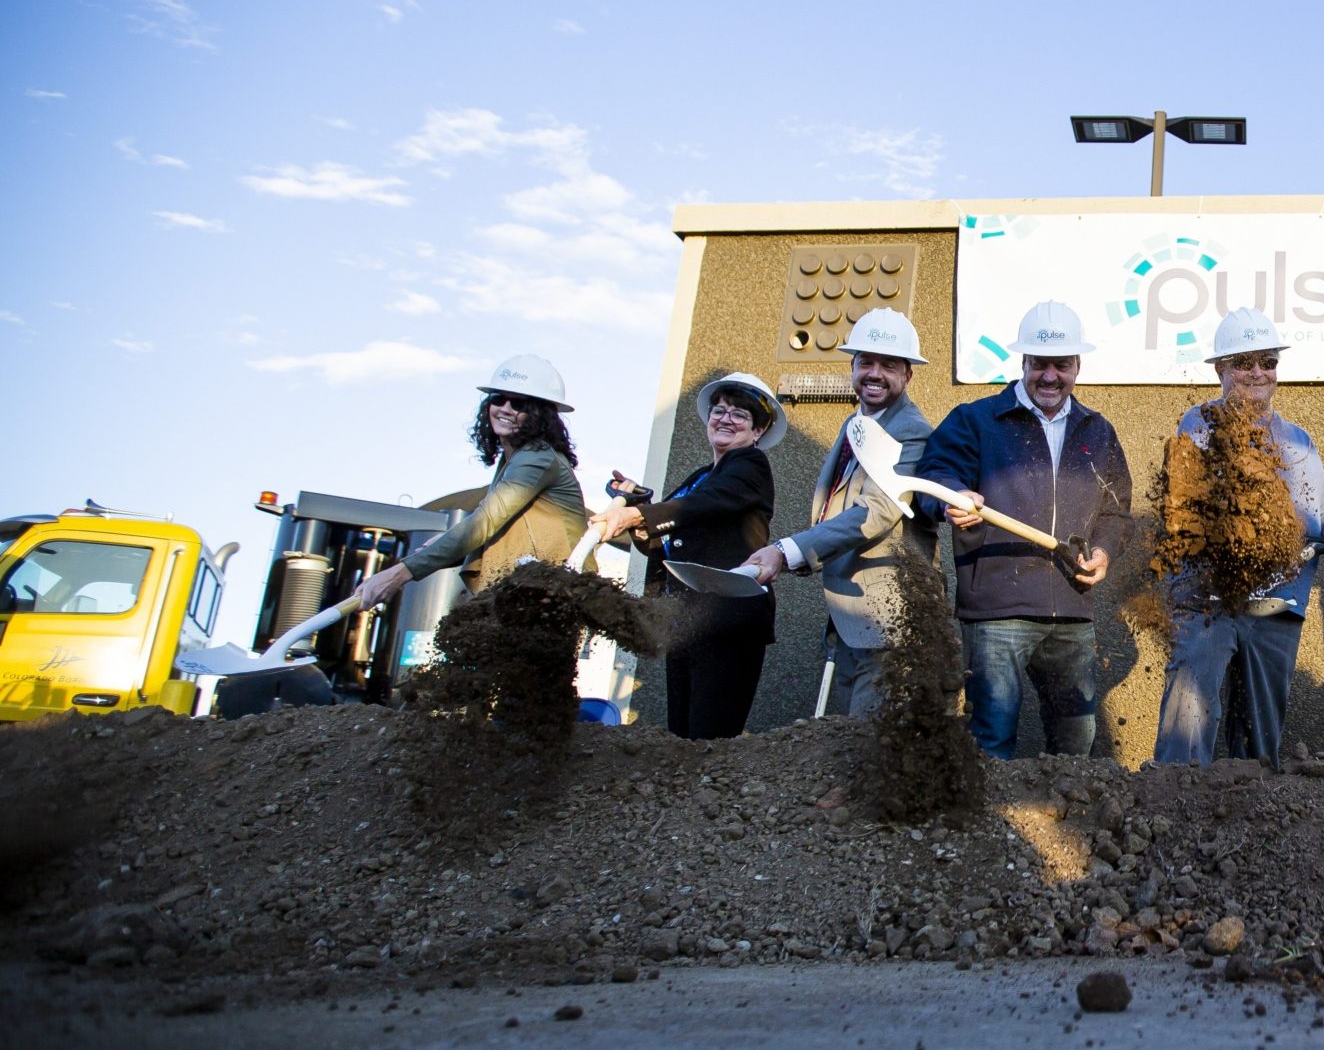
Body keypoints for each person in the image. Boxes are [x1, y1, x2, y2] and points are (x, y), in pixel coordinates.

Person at [914, 301, 1130, 759]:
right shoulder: (977, 420)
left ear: (1077, 366)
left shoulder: (1098, 430)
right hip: (997, 610)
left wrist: (1105, 554)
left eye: (1061, 365)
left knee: (1076, 742)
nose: (1050, 376)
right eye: (1039, 364)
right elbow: (933, 474)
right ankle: (988, 829)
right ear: (1023, 363)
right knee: (990, 740)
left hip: (1071, 608)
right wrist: (954, 496)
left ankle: (1063, 826)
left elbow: (1116, 512)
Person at [1153, 308, 1324, 765]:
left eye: (1268, 361)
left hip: (1278, 602)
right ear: (1220, 370)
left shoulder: (1298, 439)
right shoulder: (1199, 427)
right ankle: (1174, 801)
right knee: (1190, 711)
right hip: (1210, 598)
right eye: (1244, 363)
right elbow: (1186, 507)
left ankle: (1257, 811)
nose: (1258, 373)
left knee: (1261, 732)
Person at [742, 310, 939, 720]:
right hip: (851, 612)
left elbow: (878, 511)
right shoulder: (857, 423)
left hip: (889, 612)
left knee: (873, 736)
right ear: (851, 367)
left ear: (908, 376)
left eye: (888, 365)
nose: (875, 373)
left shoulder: (910, 429)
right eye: (866, 362)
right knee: (850, 734)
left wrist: (787, 550)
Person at [590, 372, 779, 740]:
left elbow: (703, 505)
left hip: (726, 620)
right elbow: (671, 535)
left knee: (709, 738)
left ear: (757, 431)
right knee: (682, 735)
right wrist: (639, 505)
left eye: (740, 414)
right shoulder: (704, 474)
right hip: (690, 621)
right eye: (719, 410)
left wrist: (638, 515)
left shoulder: (750, 466)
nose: (725, 418)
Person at [352, 355, 587, 610]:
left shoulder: (537, 458)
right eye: (498, 399)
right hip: (526, 592)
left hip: (551, 596)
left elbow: (483, 523)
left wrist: (398, 574)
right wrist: (449, 546)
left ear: (540, 415)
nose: (505, 409)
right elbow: (491, 527)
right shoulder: (515, 459)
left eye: (518, 403)